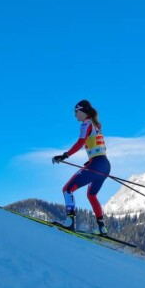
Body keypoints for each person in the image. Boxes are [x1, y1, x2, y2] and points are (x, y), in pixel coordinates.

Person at [52, 100, 110, 235]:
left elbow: (80, 142)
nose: (75, 115)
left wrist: (64, 155)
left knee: (67, 189)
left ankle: (70, 221)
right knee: (92, 195)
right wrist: (90, 161)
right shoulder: (97, 125)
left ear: (82, 111)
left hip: (96, 165)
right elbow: (99, 147)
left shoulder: (86, 124)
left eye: (75, 112)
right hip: (105, 165)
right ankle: (102, 228)